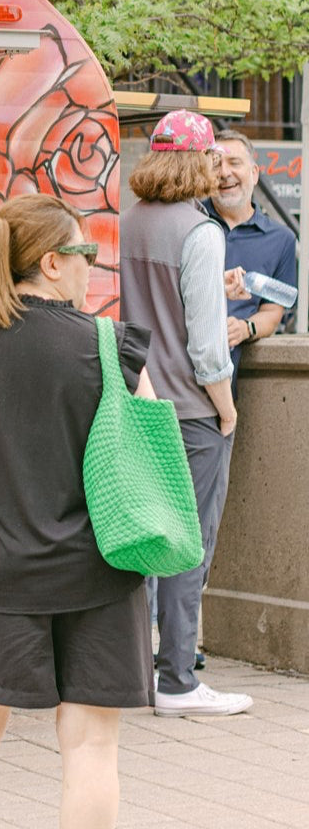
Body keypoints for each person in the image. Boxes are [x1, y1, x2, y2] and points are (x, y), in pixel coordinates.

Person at [0, 193, 156, 829]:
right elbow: (151, 458)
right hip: (101, 570)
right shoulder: (111, 347)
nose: (92, 266)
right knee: (90, 745)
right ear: (53, 263)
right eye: (85, 253)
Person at [120, 110, 250, 718]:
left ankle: (127, 673)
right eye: (215, 160)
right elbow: (205, 346)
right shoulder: (201, 232)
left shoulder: (129, 221)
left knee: (139, 540)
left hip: (135, 401)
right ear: (198, 163)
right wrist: (226, 412)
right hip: (191, 413)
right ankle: (177, 678)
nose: (220, 170)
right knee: (187, 545)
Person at [204, 129, 298, 388]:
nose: (224, 173)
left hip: (226, 383)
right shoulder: (189, 222)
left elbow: (272, 311)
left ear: (254, 173)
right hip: (175, 372)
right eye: (215, 165)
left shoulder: (281, 240)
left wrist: (245, 328)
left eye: (234, 163)